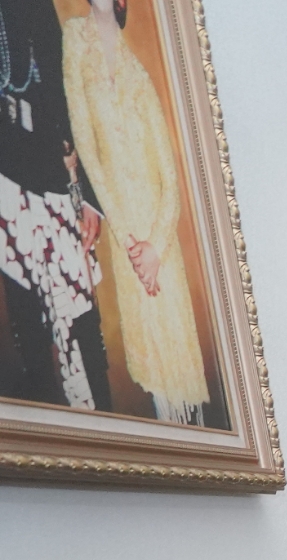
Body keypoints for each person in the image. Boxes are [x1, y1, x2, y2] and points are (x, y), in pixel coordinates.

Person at [61, 0, 207, 423]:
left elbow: (170, 178)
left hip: (160, 245)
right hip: (128, 239)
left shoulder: (138, 74)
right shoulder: (74, 38)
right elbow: (85, 143)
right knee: (157, 378)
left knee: (183, 376)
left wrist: (157, 248)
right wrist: (130, 242)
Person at [0, 0, 110, 410]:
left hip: (52, 176)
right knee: (30, 332)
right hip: (5, 182)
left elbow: (66, 96)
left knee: (81, 321)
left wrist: (89, 199)